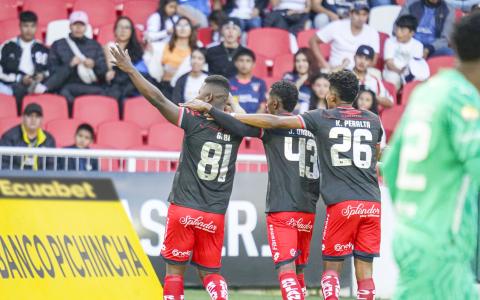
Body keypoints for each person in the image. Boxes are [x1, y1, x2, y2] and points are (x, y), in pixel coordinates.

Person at [202, 70, 383, 300]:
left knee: (319, 271)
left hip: (313, 205)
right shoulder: (372, 120)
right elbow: (375, 155)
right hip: (364, 204)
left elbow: (270, 122)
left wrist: (216, 111)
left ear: (333, 97)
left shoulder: (319, 119)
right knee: (362, 272)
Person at [110, 44, 247, 300]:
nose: (195, 94)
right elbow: (245, 117)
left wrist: (130, 69)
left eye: (200, 92)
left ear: (206, 100)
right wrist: (228, 101)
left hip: (184, 207)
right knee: (211, 273)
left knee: (175, 272)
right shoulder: (239, 128)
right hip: (214, 213)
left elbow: (158, 98)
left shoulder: (194, 121)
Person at [182, 80, 320, 300]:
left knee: (286, 270)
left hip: (283, 206)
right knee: (299, 269)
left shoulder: (271, 127)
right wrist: (234, 104)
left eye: (267, 101)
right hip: (308, 208)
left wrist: (213, 110)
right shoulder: (310, 127)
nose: (265, 105)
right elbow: (248, 118)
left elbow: (241, 126)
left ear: (274, 103)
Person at [381, 12, 480, 299]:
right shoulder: (462, 100)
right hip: (441, 245)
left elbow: (391, 164)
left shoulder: (428, 92)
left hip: (414, 236)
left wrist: (417, 218)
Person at [36, 11, 108, 111]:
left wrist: (94, 65)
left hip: (90, 86)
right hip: (66, 86)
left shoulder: (95, 46)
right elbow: (52, 71)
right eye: (75, 24)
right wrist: (70, 65)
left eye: (81, 25)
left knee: (105, 94)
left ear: (86, 27)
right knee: (64, 93)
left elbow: (103, 72)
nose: (78, 28)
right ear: (70, 26)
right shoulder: (58, 45)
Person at [0, 11, 49, 111]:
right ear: (19, 26)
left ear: (36, 27)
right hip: (13, 83)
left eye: (32, 26)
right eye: (25, 26)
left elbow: (50, 69)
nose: (29, 30)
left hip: (35, 83)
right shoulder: (7, 46)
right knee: (19, 89)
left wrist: (42, 75)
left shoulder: (42, 48)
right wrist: (19, 79)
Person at [310, 1, 380, 71]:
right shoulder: (337, 25)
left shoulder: (372, 32)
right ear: (350, 14)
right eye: (357, 14)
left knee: (375, 75)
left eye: (364, 14)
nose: (361, 18)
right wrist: (324, 64)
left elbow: (373, 61)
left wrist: (360, 70)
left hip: (359, 72)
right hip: (335, 70)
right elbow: (313, 41)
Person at [145, 17, 198, 99]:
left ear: (191, 29)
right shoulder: (164, 46)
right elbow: (148, 40)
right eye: (179, 25)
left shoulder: (197, 48)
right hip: (164, 86)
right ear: (174, 29)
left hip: (186, 89)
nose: (182, 28)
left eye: (186, 25)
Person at [104, 16, 149, 106]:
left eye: (126, 28)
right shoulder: (110, 46)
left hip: (133, 83)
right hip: (117, 81)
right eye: (120, 27)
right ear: (115, 30)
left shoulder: (138, 49)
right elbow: (110, 69)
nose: (123, 30)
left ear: (131, 31)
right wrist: (110, 71)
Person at [0, 103, 56, 170]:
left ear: (42, 120)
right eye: (30, 116)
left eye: (37, 116)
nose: (33, 119)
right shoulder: (10, 137)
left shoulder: (49, 139)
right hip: (14, 178)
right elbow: (3, 163)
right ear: (23, 118)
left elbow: (51, 166)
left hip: (41, 179)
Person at [382, 15, 425, 91]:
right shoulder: (390, 41)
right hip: (392, 72)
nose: (398, 32)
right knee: (393, 78)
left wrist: (405, 75)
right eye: (397, 28)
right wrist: (400, 73)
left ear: (412, 33)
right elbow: (389, 64)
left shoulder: (418, 46)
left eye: (402, 30)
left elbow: (415, 66)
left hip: (409, 74)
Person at [229, 48, 267, 113]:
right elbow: (228, 107)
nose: (244, 64)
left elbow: (263, 106)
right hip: (235, 120)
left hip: (255, 121)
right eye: (241, 60)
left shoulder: (260, 83)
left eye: (248, 61)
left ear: (253, 64)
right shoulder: (229, 83)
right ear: (236, 63)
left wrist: (254, 121)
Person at [283, 48, 317, 114]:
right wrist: (300, 81)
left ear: (310, 62)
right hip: (290, 116)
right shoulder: (288, 76)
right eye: (297, 61)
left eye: (304, 61)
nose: (300, 64)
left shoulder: (315, 79)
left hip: (309, 117)